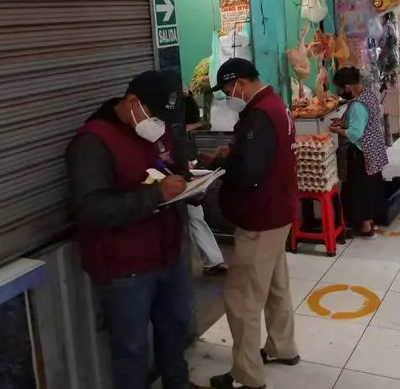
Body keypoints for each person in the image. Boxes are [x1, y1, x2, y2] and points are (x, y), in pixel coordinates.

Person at [65, 70, 194, 389]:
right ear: (132, 102)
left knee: (175, 334)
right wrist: (156, 195)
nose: (161, 125)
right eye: (156, 115)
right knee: (132, 350)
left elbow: (170, 169)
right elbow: (92, 208)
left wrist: (191, 184)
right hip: (126, 270)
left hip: (168, 255)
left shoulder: (156, 132)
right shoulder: (92, 142)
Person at [203, 58, 300, 389]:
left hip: (260, 219)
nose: (228, 96)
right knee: (276, 286)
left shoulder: (258, 117)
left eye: (228, 89)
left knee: (242, 299)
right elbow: (263, 156)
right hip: (279, 211)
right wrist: (234, 153)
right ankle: (282, 346)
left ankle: (248, 374)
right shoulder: (277, 107)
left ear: (241, 84)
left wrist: (226, 163)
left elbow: (248, 172)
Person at [329, 67, 389, 238]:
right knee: (371, 187)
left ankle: (364, 227)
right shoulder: (368, 95)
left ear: (347, 87)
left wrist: (335, 130)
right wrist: (343, 121)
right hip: (374, 149)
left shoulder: (357, 105)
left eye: (340, 89)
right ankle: (370, 222)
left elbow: (355, 133)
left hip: (362, 153)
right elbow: (363, 119)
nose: (339, 92)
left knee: (360, 189)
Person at [182, 90, 228, 275]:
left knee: (195, 213)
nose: (191, 130)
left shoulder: (180, 133)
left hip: (185, 178)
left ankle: (213, 261)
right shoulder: (162, 131)